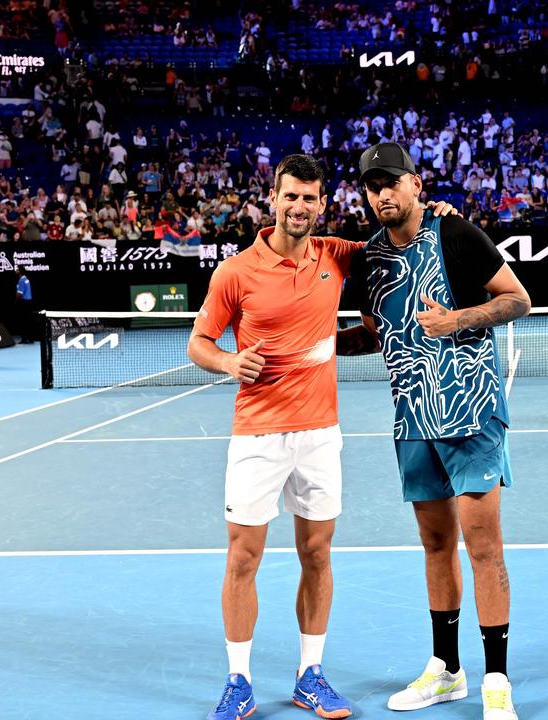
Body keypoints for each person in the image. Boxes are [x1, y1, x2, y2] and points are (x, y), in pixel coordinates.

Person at [343, 142, 531, 720]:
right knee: (435, 545)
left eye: (391, 182)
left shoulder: (457, 235)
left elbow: (518, 299)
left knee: (483, 546)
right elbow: (375, 333)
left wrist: (459, 320)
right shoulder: (369, 259)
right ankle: (446, 671)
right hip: (413, 419)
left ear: (415, 183)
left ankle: (495, 679)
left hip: (471, 413)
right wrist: (307, 349)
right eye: (372, 186)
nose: (382, 194)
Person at [186, 154, 360, 720]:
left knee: (317, 552)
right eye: (291, 196)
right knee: (244, 557)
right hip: (258, 435)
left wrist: (434, 211)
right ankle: (238, 680)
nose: (300, 207)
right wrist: (230, 363)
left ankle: (311, 674)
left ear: (323, 204)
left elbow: (404, 238)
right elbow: (200, 343)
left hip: (319, 434)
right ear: (273, 197)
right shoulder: (235, 271)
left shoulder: (336, 256)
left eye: (311, 198)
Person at [13, 266, 36, 344]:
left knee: (23, 321)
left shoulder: (21, 280)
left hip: (24, 303)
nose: (16, 270)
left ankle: (24, 339)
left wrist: (15, 302)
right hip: (29, 302)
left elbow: (19, 294)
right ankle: (31, 338)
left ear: (20, 271)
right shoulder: (26, 279)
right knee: (28, 321)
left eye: (17, 269)